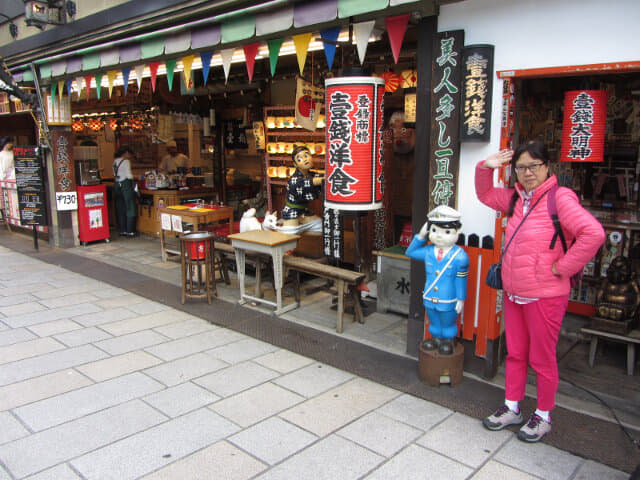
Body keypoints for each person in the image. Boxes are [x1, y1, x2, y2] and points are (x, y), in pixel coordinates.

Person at [475, 140, 605, 442]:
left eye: (534, 166)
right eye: (521, 167)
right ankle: (512, 408)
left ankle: (544, 415)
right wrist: (485, 167)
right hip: (514, 292)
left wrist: (563, 267)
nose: (527, 172)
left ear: (547, 167)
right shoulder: (515, 200)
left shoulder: (560, 200)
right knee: (516, 354)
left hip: (545, 296)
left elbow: (594, 233)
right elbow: (484, 194)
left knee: (542, 358)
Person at [406, 205, 469, 355]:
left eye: (446, 232)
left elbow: (461, 279)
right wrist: (421, 236)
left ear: (457, 231)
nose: (439, 236)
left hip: (448, 298)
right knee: (433, 320)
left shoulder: (460, 256)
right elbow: (410, 252)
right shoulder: (428, 251)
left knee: (447, 321)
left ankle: (447, 341)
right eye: (434, 231)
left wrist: (461, 299)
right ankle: (435, 339)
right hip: (429, 295)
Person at [281, 145, 324, 227]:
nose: (305, 159)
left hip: (304, 211)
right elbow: (312, 182)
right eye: (299, 159)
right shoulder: (294, 180)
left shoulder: (311, 174)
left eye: (306, 156)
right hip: (291, 211)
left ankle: (302, 229)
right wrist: (326, 179)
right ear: (295, 164)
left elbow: (320, 177)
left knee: (320, 227)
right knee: (290, 235)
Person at [112, 146, 137, 237]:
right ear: (126, 152)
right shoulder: (126, 161)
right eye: (129, 154)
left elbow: (115, 174)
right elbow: (129, 175)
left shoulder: (115, 161)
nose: (130, 156)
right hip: (126, 186)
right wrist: (135, 177)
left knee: (120, 208)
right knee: (130, 208)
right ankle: (130, 231)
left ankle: (122, 230)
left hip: (117, 186)